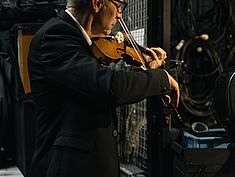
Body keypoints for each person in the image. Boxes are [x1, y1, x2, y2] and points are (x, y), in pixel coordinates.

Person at [27, 0, 180, 177]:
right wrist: (162, 79)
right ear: (97, 3)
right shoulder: (56, 36)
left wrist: (138, 53)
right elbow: (109, 86)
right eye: (119, 6)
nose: (120, 14)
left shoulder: (81, 39)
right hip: (69, 168)